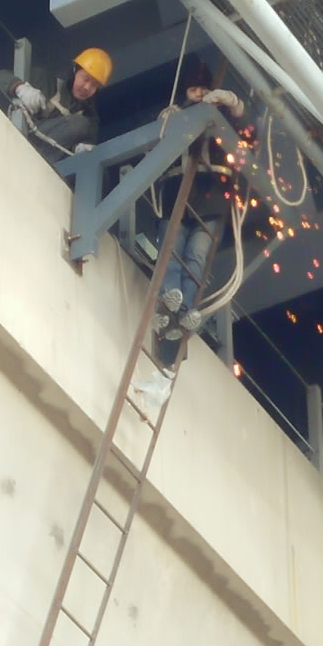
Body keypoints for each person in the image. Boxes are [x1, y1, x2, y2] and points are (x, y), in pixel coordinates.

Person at [132, 60, 245, 412]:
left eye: (202, 90)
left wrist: (229, 101)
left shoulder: (220, 119)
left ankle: (184, 309)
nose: (198, 95)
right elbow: (157, 138)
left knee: (195, 255)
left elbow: (243, 124)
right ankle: (173, 302)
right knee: (173, 249)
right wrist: (168, 118)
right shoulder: (177, 116)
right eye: (193, 90)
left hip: (210, 198)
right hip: (178, 195)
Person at [0, 47, 113, 163]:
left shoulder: (90, 119)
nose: (87, 87)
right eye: (85, 79)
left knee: (81, 124)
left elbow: (85, 147)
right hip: (20, 138)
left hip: (45, 161)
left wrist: (78, 149)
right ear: (75, 71)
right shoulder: (46, 81)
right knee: (79, 123)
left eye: (94, 85)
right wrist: (20, 88)